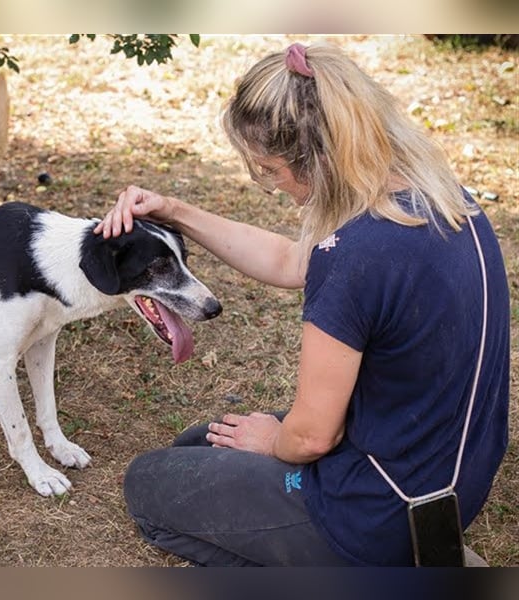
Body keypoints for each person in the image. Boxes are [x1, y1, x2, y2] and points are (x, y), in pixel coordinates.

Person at [94, 42, 510, 566]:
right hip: (447, 480)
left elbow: (312, 436)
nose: (274, 188)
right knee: (200, 442)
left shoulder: (354, 256)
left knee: (147, 484)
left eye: (270, 170)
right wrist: (173, 211)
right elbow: (291, 261)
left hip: (376, 510)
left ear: (316, 160)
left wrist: (275, 441)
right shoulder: (447, 201)